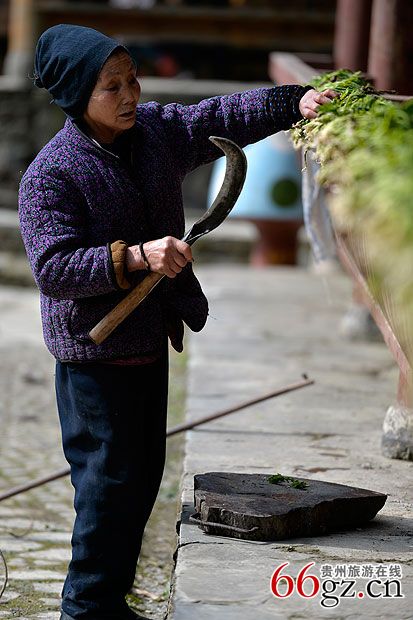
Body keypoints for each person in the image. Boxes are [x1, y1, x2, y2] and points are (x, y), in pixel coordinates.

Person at [18, 24, 336, 620]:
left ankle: (108, 604)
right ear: (77, 95)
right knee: (107, 487)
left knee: (140, 481)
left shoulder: (155, 134)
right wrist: (137, 256)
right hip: (94, 359)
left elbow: (220, 114)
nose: (130, 94)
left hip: (147, 341)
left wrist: (294, 102)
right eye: (112, 86)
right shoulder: (51, 175)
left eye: (132, 79)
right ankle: (85, 610)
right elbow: (54, 269)